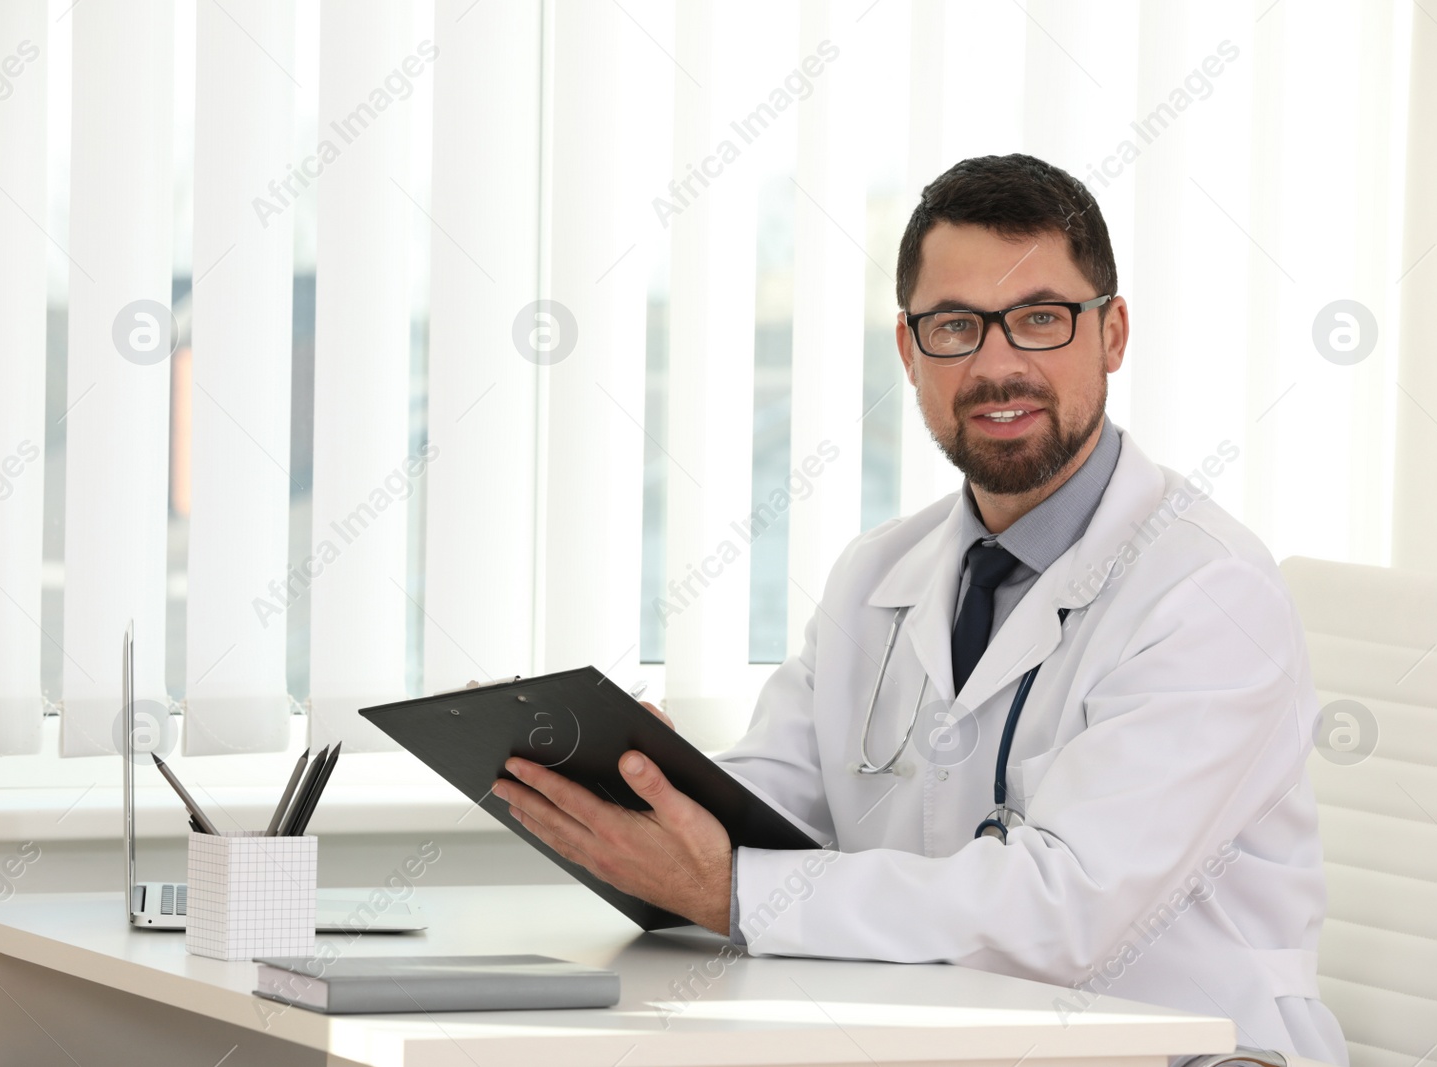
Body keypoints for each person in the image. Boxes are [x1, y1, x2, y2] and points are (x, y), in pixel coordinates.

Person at [490, 153, 1347, 1064]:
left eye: (1041, 319)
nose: (997, 364)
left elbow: (1064, 911)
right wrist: (650, 788)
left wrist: (732, 890)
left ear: (1113, 335)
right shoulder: (877, 575)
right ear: (908, 349)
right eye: (954, 326)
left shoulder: (1208, 592)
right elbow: (776, 805)